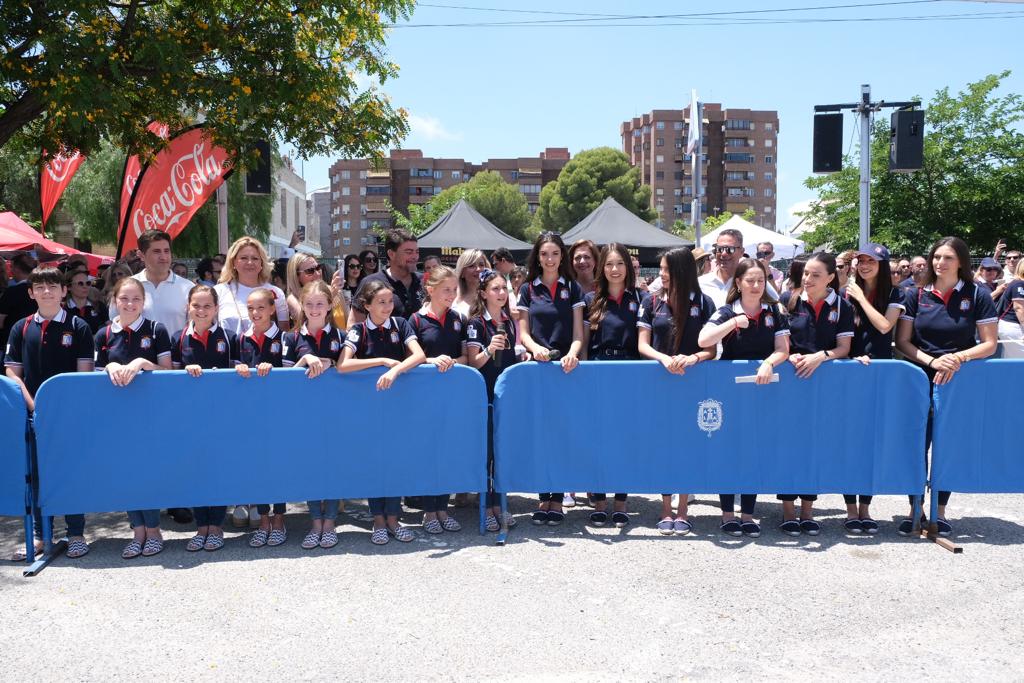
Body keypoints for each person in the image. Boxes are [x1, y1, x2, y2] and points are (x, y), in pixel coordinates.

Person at [896, 236, 998, 536]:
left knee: (948, 447)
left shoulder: (978, 294)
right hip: (919, 379)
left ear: (962, 262)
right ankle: (915, 510)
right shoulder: (916, 294)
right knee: (917, 446)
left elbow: (990, 344)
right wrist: (932, 362)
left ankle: (939, 514)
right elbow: (903, 342)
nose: (940, 262)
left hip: (957, 380)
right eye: (936, 257)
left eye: (948, 258)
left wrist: (956, 358)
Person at [4, 267, 94, 559]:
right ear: (30, 293)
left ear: (63, 291)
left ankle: (76, 533)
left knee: (69, 473)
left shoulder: (79, 327)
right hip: (33, 415)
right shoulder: (20, 327)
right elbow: (13, 374)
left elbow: (83, 376)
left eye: (53, 286)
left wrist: (59, 407)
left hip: (68, 415)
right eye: (39, 287)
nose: (47, 292)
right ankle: (42, 536)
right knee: (37, 475)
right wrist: (34, 406)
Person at [698, 258, 791, 538]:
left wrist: (769, 363)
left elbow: (783, 349)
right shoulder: (726, 311)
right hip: (729, 392)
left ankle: (748, 514)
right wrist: (733, 323)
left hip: (762, 390)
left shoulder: (774, 313)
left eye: (760, 280)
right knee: (729, 451)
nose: (755, 285)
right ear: (738, 283)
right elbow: (704, 340)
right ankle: (727, 514)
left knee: (754, 451)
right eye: (749, 280)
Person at [339, 279, 426, 544]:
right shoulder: (357, 331)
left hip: (398, 408)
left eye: (390, 301)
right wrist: (380, 361)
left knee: (395, 461)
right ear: (366, 305)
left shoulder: (401, 325)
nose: (387, 307)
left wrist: (395, 369)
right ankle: (378, 519)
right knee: (375, 463)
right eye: (381, 302)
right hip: (368, 410)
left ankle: (393, 518)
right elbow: (343, 364)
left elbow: (419, 355)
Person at [637, 247, 715, 535]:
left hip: (692, 385)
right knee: (662, 445)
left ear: (681, 270)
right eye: (661, 268)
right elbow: (642, 344)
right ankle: (665, 508)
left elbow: (711, 348)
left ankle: (683, 509)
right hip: (659, 383)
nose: (661, 274)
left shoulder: (704, 303)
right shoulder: (651, 300)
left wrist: (693, 358)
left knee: (687, 445)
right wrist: (664, 358)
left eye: (666, 269)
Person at [94, 277, 173, 558]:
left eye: (135, 299)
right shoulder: (103, 334)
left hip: (149, 414)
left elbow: (167, 370)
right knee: (126, 472)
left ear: (144, 302)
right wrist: (109, 366)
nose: (129, 304)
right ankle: (136, 531)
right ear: (114, 300)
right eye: (124, 298)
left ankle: (153, 530)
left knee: (146, 471)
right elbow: (93, 374)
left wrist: (141, 363)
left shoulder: (155, 329)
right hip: (117, 416)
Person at [779, 252, 853, 536]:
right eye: (806, 274)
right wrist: (790, 357)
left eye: (816, 275)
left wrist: (819, 357)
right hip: (790, 385)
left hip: (822, 388)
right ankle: (787, 510)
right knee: (787, 447)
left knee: (813, 448)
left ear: (831, 278)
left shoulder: (843, 307)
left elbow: (843, 348)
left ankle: (807, 511)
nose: (808, 279)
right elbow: (779, 343)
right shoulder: (789, 301)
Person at [516, 232, 585, 523]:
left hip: (566, 369)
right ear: (538, 257)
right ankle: (543, 498)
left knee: (562, 435)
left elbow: (579, 334)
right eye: (545, 254)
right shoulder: (527, 290)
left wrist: (572, 353)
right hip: (538, 369)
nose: (550, 259)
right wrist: (535, 349)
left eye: (555, 253)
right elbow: (523, 332)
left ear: (562, 256)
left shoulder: (574, 288)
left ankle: (558, 499)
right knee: (541, 435)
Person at [842, 243, 904, 534]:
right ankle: (850, 509)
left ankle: (865, 508)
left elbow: (884, 327)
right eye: (860, 260)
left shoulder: (895, 293)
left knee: (871, 444)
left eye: (871, 261)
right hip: (850, 372)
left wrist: (860, 298)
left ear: (882, 265)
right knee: (849, 441)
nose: (864, 265)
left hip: (879, 373)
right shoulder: (846, 292)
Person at [171, 285, 239, 551]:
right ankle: (201, 527)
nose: (201, 310)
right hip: (190, 416)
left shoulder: (231, 337)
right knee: (196, 470)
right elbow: (170, 380)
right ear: (188, 306)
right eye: (196, 305)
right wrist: (184, 373)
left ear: (216, 309)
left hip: (222, 415)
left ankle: (217, 526)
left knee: (218, 470)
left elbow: (237, 378)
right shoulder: (178, 338)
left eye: (207, 306)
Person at [583, 244, 641, 527]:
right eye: (609, 264)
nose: (614, 269)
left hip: (630, 373)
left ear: (627, 268)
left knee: (625, 440)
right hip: (597, 373)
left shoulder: (640, 299)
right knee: (599, 440)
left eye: (619, 264)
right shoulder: (591, 299)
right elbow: (583, 344)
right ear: (601, 268)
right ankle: (600, 501)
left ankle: (621, 502)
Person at [282, 280, 344, 549]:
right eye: (309, 304)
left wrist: (334, 366)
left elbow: (351, 371)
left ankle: (329, 522)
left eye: (320, 304)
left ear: (330, 305)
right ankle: (315, 522)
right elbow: (284, 379)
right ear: (301, 307)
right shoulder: (291, 338)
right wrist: (304, 360)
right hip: (304, 415)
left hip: (334, 414)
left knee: (332, 467)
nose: (315, 309)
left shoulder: (342, 336)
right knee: (310, 467)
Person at [410, 266, 467, 534]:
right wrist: (432, 361)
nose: (452, 294)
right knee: (426, 453)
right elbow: (409, 358)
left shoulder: (458, 319)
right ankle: (429, 511)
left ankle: (443, 508)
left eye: (455, 290)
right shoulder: (415, 321)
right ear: (430, 290)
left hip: (451, 396)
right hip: (423, 398)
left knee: (447, 452)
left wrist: (453, 362)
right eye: (446, 289)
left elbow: (466, 357)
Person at [467, 269, 522, 532]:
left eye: (504, 289)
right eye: (495, 289)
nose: (501, 294)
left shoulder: (510, 322)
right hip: (484, 395)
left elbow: (512, 356)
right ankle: (487, 506)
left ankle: (501, 505)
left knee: (502, 453)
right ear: (483, 293)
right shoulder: (476, 323)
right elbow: (473, 362)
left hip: (506, 396)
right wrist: (491, 348)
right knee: (486, 453)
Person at [234, 288, 288, 548]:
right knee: (257, 467)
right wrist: (239, 369)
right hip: (249, 415)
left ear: (272, 309)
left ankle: (279, 519)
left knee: (276, 466)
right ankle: (263, 519)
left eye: (261, 308)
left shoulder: (284, 338)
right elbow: (231, 373)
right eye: (250, 309)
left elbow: (292, 374)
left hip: (277, 415)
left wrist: (273, 370)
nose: (255, 313)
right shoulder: (240, 339)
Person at [119, 230, 194, 337]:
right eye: (157, 251)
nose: (163, 257)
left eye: (166, 251)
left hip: (175, 353)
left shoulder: (188, 288)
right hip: (137, 353)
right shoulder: (127, 287)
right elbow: (117, 327)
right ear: (141, 255)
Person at [215, 236, 290, 338]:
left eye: (255, 258)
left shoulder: (275, 292)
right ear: (233, 262)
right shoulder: (219, 291)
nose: (250, 262)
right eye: (243, 258)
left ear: (261, 263)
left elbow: (284, 332)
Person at [350, 229, 422, 323]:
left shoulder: (425, 281)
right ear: (391, 254)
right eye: (409, 252)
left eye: (417, 252)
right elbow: (353, 325)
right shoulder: (370, 283)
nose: (415, 256)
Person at [700, 228, 777, 307]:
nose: (723, 254)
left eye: (730, 249)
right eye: (719, 249)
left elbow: (776, 302)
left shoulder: (753, 281)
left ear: (741, 252)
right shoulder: (701, 283)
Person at [0, 253, 38, 350]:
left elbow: (0, 320)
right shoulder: (42, 290)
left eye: (12, 267)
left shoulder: (12, 292)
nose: (11, 270)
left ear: (17, 268)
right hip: (37, 341)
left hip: (13, 343)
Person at [65, 269, 108, 334]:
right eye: (80, 283)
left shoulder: (99, 306)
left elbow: (109, 329)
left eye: (88, 283)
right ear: (69, 287)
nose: (85, 286)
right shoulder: (62, 309)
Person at [452, 249, 491, 318]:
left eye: (481, 265)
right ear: (462, 272)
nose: (478, 269)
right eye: (471, 266)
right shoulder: (452, 299)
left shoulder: (493, 297)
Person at [996, 260, 1024, 347]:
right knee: (1019, 358)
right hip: (1014, 326)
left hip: (1015, 326)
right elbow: (1019, 307)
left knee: (1011, 358)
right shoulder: (1019, 283)